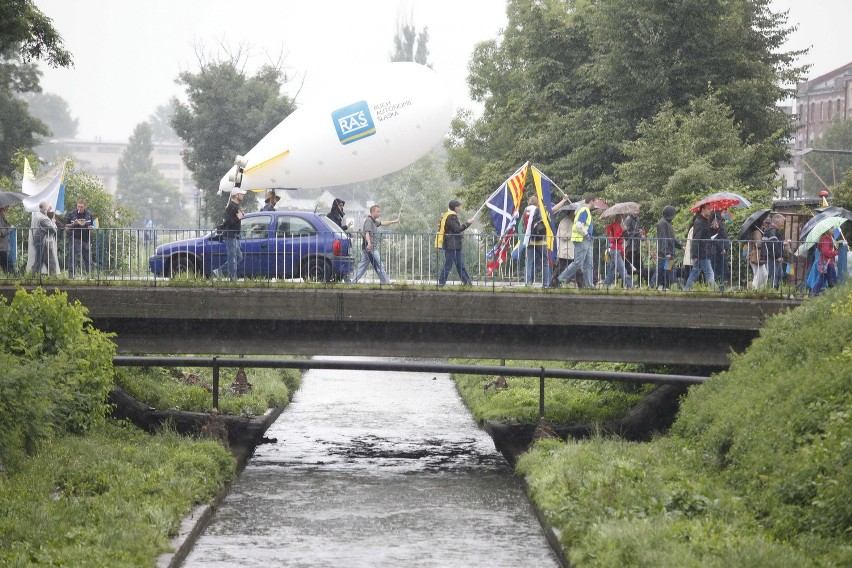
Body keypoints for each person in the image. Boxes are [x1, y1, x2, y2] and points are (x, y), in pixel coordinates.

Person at [522, 195, 569, 287]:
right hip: (540, 240)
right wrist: (564, 200)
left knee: (529, 263)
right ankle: (545, 284)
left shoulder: (526, 211)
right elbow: (553, 210)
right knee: (545, 262)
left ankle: (528, 283)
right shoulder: (539, 210)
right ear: (537, 203)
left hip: (529, 240)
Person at [352, 204, 399, 284]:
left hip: (367, 248)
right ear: (372, 212)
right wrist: (369, 244)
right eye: (378, 212)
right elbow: (367, 233)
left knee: (362, 267)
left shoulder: (373, 221)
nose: (379, 213)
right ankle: (386, 283)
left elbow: (382, 223)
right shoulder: (369, 221)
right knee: (380, 265)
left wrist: (393, 221)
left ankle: (352, 282)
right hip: (371, 248)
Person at [556, 193, 596, 288]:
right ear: (591, 201)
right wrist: (586, 234)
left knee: (588, 264)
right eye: (594, 202)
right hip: (582, 239)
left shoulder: (583, 210)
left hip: (586, 240)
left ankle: (589, 286)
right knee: (578, 263)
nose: (595, 204)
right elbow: (578, 225)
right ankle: (560, 279)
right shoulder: (585, 210)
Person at [436, 199, 473, 286]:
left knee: (460, 265)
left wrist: (460, 234)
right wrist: (467, 224)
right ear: (454, 207)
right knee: (449, 265)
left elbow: (452, 230)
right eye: (458, 207)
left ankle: (467, 284)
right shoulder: (451, 216)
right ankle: (441, 283)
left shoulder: (447, 215)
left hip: (454, 244)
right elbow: (456, 229)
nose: (460, 208)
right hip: (452, 244)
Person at [214, 188, 246, 280]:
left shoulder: (235, 206)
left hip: (235, 236)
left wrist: (239, 215)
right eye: (241, 194)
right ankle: (233, 278)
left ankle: (219, 271)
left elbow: (230, 221)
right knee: (233, 258)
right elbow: (228, 222)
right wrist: (238, 217)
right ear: (236, 195)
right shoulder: (230, 207)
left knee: (238, 257)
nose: (243, 196)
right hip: (231, 236)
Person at [549, 209, 584, 288]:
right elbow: (564, 235)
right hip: (566, 250)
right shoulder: (565, 222)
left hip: (569, 250)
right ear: (571, 213)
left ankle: (553, 283)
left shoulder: (572, 221)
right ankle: (581, 287)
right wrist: (574, 233)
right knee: (574, 268)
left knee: (562, 268)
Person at [684, 205, 715, 290]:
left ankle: (686, 289)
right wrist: (694, 254)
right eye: (708, 209)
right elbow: (696, 238)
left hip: (704, 251)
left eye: (711, 208)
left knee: (695, 273)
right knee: (709, 273)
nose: (710, 210)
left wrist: (714, 228)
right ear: (703, 209)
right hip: (702, 252)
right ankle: (713, 291)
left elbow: (707, 235)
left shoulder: (704, 221)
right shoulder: (699, 221)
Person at [603, 214, 633, 288]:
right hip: (615, 250)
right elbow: (616, 237)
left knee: (612, 269)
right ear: (620, 218)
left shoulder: (616, 225)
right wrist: (622, 232)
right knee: (622, 270)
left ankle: (606, 284)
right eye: (623, 217)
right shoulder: (616, 225)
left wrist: (622, 252)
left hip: (616, 249)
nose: (624, 218)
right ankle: (631, 285)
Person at [655, 205, 681, 290]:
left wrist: (680, 246)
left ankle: (665, 286)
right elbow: (663, 238)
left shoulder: (667, 223)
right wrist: (666, 252)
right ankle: (663, 286)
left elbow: (671, 239)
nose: (674, 216)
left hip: (667, 252)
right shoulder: (663, 223)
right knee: (665, 271)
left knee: (667, 270)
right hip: (665, 253)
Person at [65, 199, 93, 276]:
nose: (79, 208)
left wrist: (91, 228)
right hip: (75, 238)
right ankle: (71, 276)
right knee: (73, 257)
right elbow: (66, 227)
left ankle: (89, 276)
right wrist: (74, 224)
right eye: (78, 206)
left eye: (81, 207)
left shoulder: (89, 214)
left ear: (85, 207)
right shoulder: (72, 214)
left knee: (87, 258)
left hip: (86, 238)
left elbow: (92, 225)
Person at [31, 201, 59, 276]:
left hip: (39, 240)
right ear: (45, 208)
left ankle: (33, 276)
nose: (50, 208)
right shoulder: (44, 218)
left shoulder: (37, 215)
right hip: (45, 241)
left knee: (40, 260)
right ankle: (52, 277)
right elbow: (53, 230)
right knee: (50, 260)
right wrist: (53, 223)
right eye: (49, 207)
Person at [762, 213, 789, 289]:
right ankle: (772, 292)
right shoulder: (772, 231)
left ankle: (775, 291)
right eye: (782, 222)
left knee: (779, 275)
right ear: (778, 222)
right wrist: (778, 256)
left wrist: (783, 243)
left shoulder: (771, 230)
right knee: (774, 276)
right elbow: (773, 245)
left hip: (773, 257)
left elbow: (774, 243)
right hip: (773, 258)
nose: (782, 224)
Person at [811, 230, 838, 295]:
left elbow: (821, 249)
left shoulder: (824, 238)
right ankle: (834, 294)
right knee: (832, 279)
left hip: (824, 261)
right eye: (832, 228)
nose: (833, 229)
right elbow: (825, 252)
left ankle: (815, 292)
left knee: (823, 278)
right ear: (828, 230)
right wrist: (836, 252)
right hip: (827, 262)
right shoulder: (826, 239)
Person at [709, 209, 730, 290]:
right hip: (719, 251)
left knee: (721, 270)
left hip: (720, 250)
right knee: (720, 270)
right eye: (724, 212)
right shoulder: (716, 223)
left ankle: (719, 287)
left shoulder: (719, 222)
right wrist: (722, 248)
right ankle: (720, 288)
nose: (725, 214)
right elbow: (716, 237)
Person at [622, 209, 645, 280]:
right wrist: (639, 234)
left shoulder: (638, 219)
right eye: (634, 210)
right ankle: (626, 283)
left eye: (637, 211)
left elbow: (636, 232)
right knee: (630, 267)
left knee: (639, 267)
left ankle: (639, 283)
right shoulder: (628, 220)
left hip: (636, 247)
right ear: (630, 211)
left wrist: (641, 234)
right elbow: (627, 234)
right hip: (629, 247)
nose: (636, 212)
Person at [0, 206, 11, 275]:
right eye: (7, 206)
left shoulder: (2, 215)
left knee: (7, 266)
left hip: (3, 246)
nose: (7, 208)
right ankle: (14, 280)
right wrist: (9, 228)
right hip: (1, 247)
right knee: (9, 266)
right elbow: (2, 232)